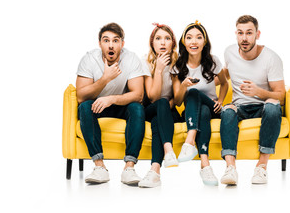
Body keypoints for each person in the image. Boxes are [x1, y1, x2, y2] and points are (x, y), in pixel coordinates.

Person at [76, 22, 146, 185]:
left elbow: (138, 95)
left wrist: (111, 99)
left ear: (122, 43)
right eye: (106, 40)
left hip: (121, 105)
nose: (111, 45)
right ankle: (99, 167)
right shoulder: (89, 59)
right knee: (85, 106)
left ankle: (129, 167)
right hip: (97, 106)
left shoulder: (131, 59)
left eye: (115, 40)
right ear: (100, 43)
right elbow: (80, 96)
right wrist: (105, 79)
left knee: (137, 108)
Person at [220, 15, 285, 185]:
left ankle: (261, 167)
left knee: (273, 107)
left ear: (258, 34)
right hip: (239, 107)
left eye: (249, 33)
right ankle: (230, 168)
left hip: (263, 106)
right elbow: (224, 74)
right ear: (236, 34)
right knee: (227, 110)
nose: (244, 38)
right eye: (240, 33)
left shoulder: (271, 58)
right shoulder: (229, 52)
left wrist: (259, 92)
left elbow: (282, 96)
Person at [171, 21, 228, 186]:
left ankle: (189, 142)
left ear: (205, 42)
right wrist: (183, 86)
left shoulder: (213, 61)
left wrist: (221, 100)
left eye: (198, 37)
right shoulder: (178, 66)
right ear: (184, 42)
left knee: (196, 95)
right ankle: (205, 165)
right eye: (189, 38)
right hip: (193, 111)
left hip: (213, 108)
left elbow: (224, 83)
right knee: (199, 107)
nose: (193, 42)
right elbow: (178, 101)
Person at [138, 23, 182, 188]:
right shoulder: (145, 61)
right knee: (160, 105)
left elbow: (177, 100)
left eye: (167, 38)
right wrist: (158, 70)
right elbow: (153, 96)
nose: (162, 43)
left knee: (158, 121)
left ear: (173, 43)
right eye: (158, 39)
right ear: (152, 44)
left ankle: (155, 171)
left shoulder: (177, 62)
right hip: (150, 108)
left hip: (168, 111)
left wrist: (168, 103)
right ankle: (168, 150)